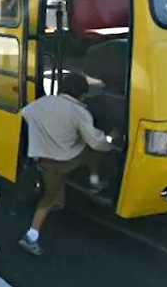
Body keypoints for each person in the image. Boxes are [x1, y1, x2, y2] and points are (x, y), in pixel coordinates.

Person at [18, 72, 114, 256]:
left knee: (50, 197)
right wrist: (111, 141)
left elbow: (25, 113)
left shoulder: (42, 103)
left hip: (45, 162)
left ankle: (34, 233)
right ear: (83, 94)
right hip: (66, 160)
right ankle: (95, 182)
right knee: (90, 150)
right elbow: (96, 142)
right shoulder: (80, 113)